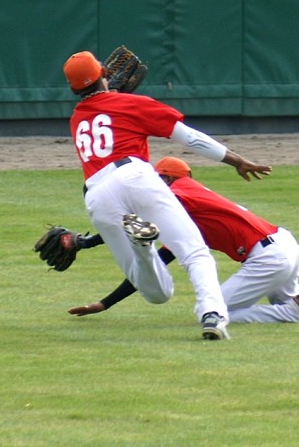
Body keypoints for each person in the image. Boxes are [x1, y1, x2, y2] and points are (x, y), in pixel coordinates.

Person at [62, 51, 271, 340]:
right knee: (194, 252)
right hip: (134, 176)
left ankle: (143, 246)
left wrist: (108, 89)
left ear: (74, 89)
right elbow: (189, 137)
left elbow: (101, 108)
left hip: (98, 195)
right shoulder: (132, 104)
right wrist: (236, 160)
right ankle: (212, 315)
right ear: (104, 74)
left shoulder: (77, 119)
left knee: (155, 293)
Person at [65, 156, 299, 323]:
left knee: (212, 310)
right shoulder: (190, 203)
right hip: (284, 244)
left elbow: (136, 230)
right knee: (286, 295)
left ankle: (292, 314)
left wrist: (84, 243)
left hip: (267, 258)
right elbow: (158, 259)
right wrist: (107, 303)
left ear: (163, 179)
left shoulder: (178, 195)